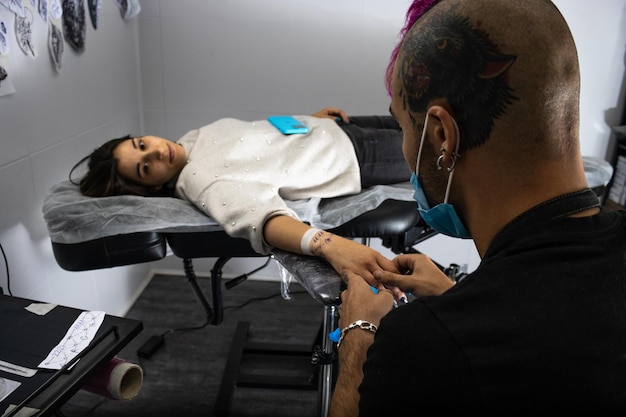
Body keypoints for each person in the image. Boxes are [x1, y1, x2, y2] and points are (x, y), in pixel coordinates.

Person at [329, 0, 626, 415]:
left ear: (442, 136)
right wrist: (456, 297)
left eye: (402, 126)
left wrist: (358, 338)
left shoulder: (426, 349)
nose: (404, 143)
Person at [70, 107, 412, 288]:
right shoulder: (198, 180)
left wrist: (308, 120)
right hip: (355, 156)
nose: (156, 152)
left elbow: (258, 139)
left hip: (335, 128)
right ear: (151, 188)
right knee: (450, 142)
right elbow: (260, 218)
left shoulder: (190, 140)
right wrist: (329, 245)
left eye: (141, 144)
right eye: (145, 168)